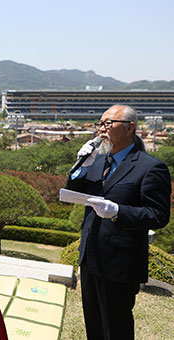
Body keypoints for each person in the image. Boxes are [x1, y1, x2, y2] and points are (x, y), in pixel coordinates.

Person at [66, 105, 170, 340]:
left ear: (129, 127)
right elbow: (72, 191)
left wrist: (118, 211)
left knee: (116, 328)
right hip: (90, 256)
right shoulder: (98, 160)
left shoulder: (150, 167)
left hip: (120, 263)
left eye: (108, 124)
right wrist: (81, 165)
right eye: (100, 124)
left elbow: (158, 215)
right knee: (93, 324)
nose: (102, 130)